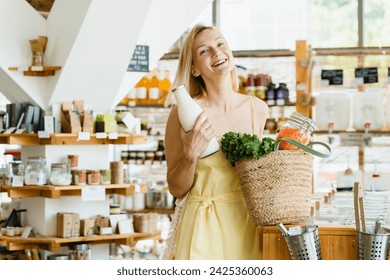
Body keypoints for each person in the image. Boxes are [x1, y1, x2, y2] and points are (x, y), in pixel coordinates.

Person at [164, 24, 269, 260]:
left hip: (248, 224)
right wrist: (190, 154)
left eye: (220, 44)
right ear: (194, 70)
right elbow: (176, 188)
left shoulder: (257, 109)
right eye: (204, 51)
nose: (216, 53)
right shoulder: (182, 115)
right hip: (203, 225)